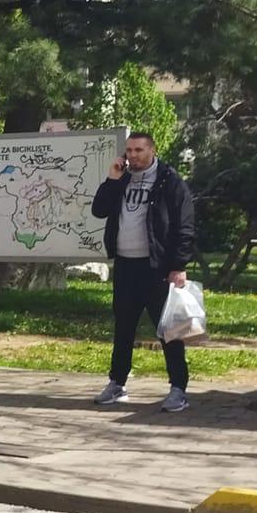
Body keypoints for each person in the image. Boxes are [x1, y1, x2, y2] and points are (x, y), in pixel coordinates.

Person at [89, 131, 196, 412]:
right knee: (123, 327)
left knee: (168, 330)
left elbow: (184, 226)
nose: (133, 155)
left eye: (138, 150)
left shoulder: (170, 181)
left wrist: (178, 266)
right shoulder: (121, 178)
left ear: (152, 150)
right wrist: (112, 179)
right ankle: (117, 384)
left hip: (157, 268)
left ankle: (178, 389)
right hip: (126, 265)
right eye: (129, 150)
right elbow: (99, 210)